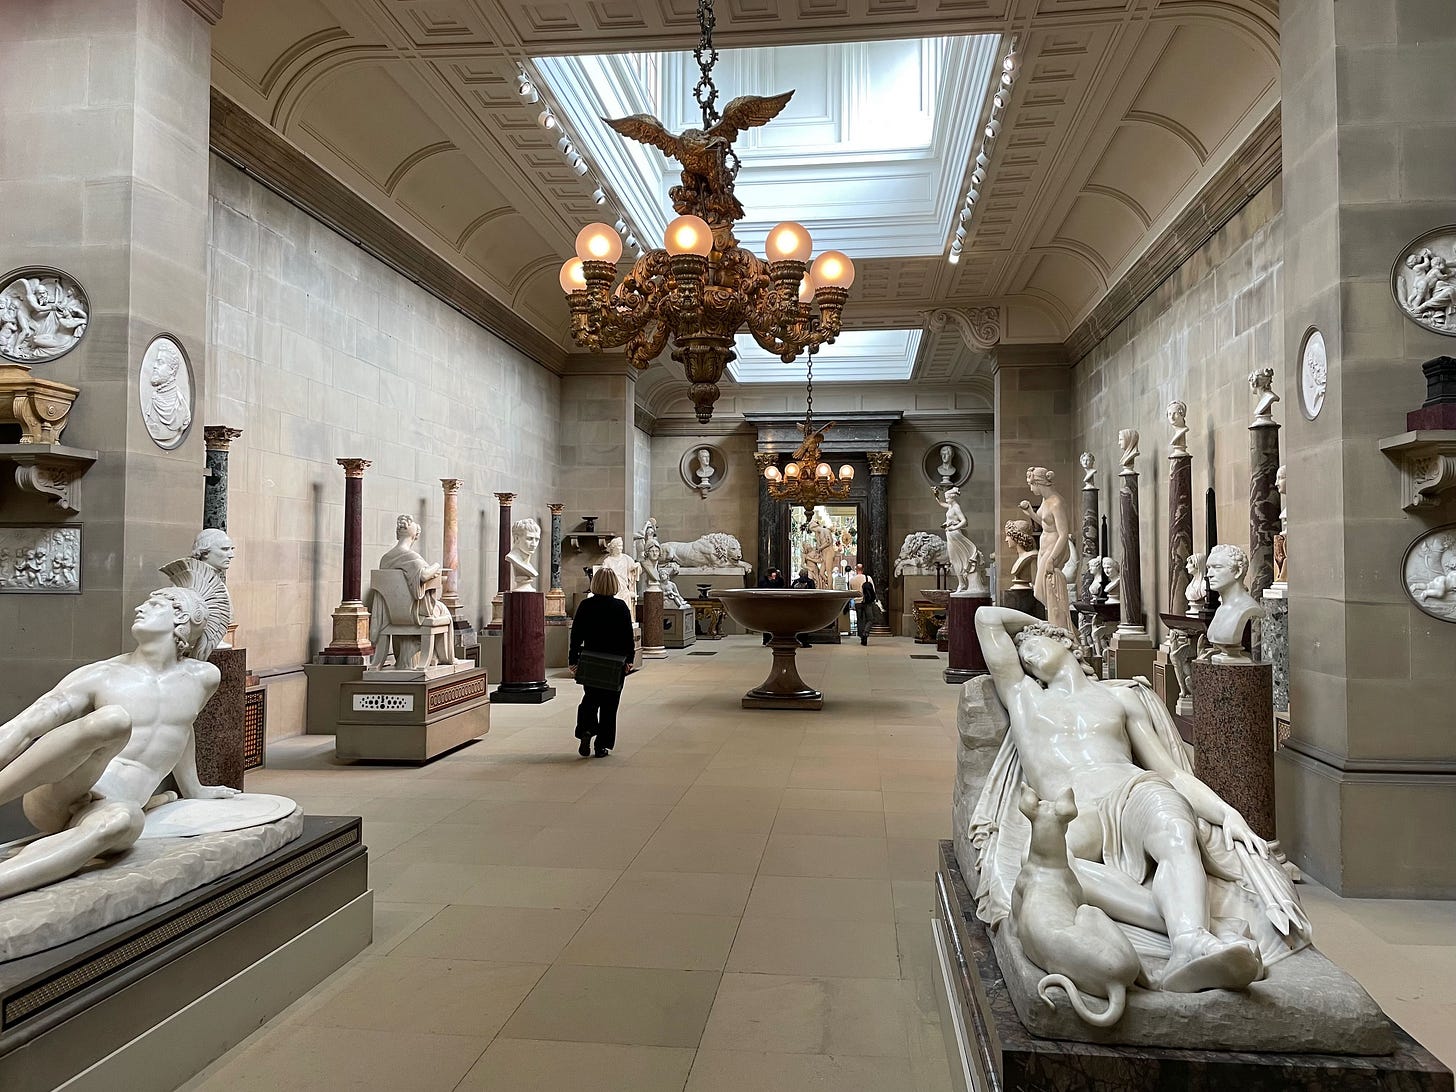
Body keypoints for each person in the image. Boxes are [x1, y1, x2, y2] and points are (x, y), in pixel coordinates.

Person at [971, 606, 1307, 993]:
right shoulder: (1023, 695)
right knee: (1051, 864)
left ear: (1066, 645)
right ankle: (1188, 925)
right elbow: (986, 618)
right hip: (1074, 809)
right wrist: (1040, 630)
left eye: (1033, 644)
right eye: (1021, 651)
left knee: (1176, 832)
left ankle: (1190, 942)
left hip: (1133, 789)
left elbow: (1172, 773)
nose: (1026, 655)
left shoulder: (1120, 699)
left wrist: (1226, 812)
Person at [568, 567, 635, 757]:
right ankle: (601, 745)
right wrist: (629, 660)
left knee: (590, 699)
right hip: (614, 662)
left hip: (591, 659)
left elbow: (576, 636)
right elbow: (627, 637)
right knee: (610, 706)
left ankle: (586, 729)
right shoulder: (620, 607)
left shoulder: (586, 606)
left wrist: (573, 660)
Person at [849, 562, 876, 645]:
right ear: (863, 569)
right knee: (870, 619)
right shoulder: (868, 578)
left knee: (860, 620)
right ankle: (866, 632)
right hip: (867, 602)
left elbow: (851, 592)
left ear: (856, 570)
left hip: (857, 602)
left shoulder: (852, 580)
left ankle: (862, 637)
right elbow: (873, 590)